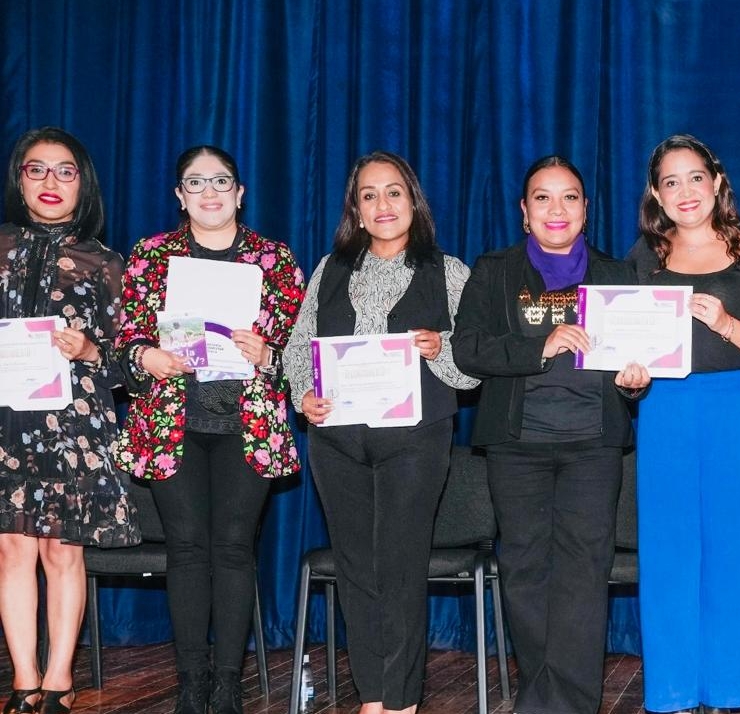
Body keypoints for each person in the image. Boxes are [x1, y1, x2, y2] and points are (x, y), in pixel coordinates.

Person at [282, 151, 478, 714]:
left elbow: (472, 368)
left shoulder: (451, 272)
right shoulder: (330, 269)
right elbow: (299, 348)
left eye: (394, 192)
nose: (382, 204)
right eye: (369, 194)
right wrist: (303, 397)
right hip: (337, 442)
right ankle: (372, 695)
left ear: (413, 201)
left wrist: (441, 349)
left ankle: (401, 699)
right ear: (356, 209)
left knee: (399, 567)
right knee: (356, 569)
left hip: (415, 440)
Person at [453, 155, 648, 714]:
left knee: (584, 576)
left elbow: (635, 367)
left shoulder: (618, 275)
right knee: (524, 571)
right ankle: (542, 701)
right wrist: (539, 346)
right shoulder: (494, 271)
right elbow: (468, 350)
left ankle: (569, 704)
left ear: (586, 209)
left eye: (569, 197)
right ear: (524, 211)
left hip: (594, 445)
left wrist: (635, 382)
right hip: (518, 448)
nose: (555, 209)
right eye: (542, 197)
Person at [112, 144, 304, 714]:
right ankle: (191, 680)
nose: (210, 192)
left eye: (222, 181)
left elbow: (301, 354)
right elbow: (125, 339)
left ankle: (227, 681)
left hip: (247, 421)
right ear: (180, 196)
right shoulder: (151, 255)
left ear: (241, 194)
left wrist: (270, 353)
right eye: (196, 183)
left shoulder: (275, 259)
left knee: (234, 549)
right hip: (174, 422)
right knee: (188, 550)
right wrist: (145, 356)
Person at [628, 134, 740, 713]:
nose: (685, 191)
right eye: (671, 181)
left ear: (717, 182)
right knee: (668, 551)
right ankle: (671, 691)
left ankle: (738, 688)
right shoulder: (644, 257)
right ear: (657, 195)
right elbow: (627, 344)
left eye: (695, 177)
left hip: (735, 409)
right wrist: (632, 375)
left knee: (738, 548)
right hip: (664, 411)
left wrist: (725, 323)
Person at [0, 126, 140, 714]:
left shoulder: (109, 262)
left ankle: (58, 679)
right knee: (11, 549)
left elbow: (132, 364)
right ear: (20, 180)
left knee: (62, 551)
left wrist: (89, 352)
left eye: (65, 171)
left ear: (83, 184)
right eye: (37, 169)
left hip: (73, 426)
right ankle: (23, 678)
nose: (50, 182)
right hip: (6, 421)